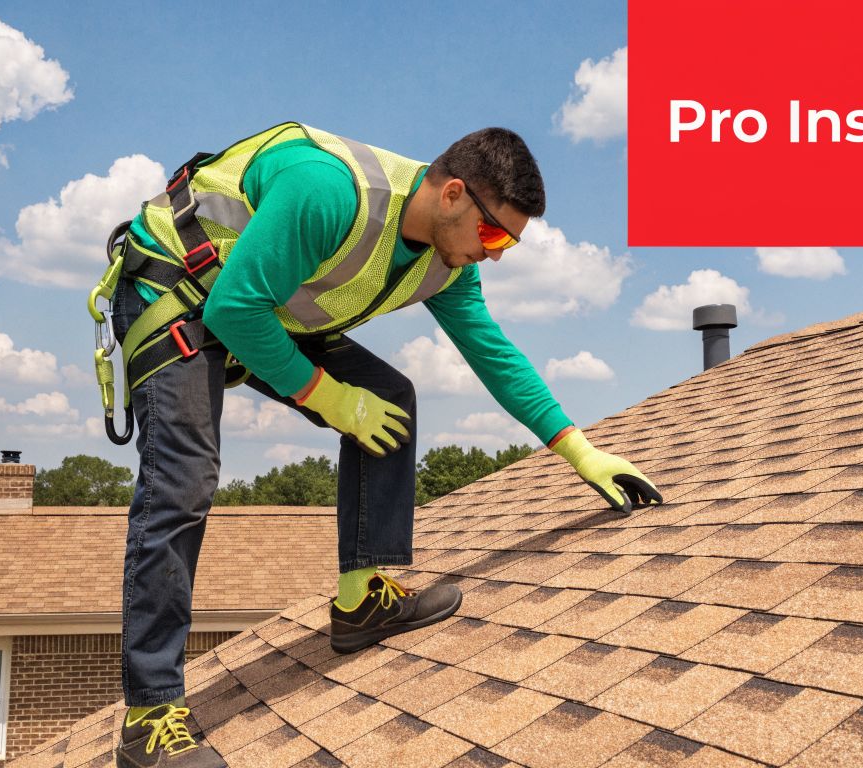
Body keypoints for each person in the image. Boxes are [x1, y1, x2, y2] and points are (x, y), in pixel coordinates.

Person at [104, 123, 661, 767]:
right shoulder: (330, 192)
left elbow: (493, 356)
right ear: (453, 194)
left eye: (509, 242)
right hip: (176, 288)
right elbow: (232, 312)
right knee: (184, 481)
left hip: (259, 302)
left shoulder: (445, 263)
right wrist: (330, 398)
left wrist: (581, 452)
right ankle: (149, 717)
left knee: (389, 397)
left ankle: (360, 601)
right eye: (495, 234)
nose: (498, 254)